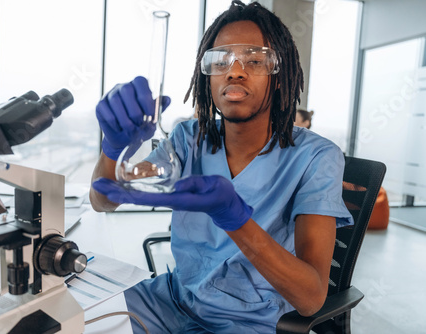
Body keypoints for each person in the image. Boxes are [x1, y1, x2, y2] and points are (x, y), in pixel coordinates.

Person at [90, 1, 353, 332]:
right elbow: (104, 200)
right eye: (221, 60)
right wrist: (114, 149)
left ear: (279, 78)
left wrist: (235, 218)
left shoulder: (315, 158)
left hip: (245, 323)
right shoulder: (189, 138)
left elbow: (311, 298)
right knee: (69, 318)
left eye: (255, 60)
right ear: (208, 79)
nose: (235, 70)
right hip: (170, 301)